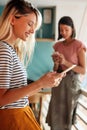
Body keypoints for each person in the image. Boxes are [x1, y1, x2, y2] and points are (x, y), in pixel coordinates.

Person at [0, 1, 65, 130]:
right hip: (13, 118)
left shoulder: (11, 50)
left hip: (20, 114)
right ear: (13, 19)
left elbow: (18, 95)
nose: (32, 30)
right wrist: (40, 83)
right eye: (30, 24)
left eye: (34, 27)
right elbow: (1, 100)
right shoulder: (4, 50)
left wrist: (45, 83)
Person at [46, 16, 86, 130]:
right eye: (61, 30)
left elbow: (83, 70)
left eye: (66, 30)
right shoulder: (57, 45)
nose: (63, 32)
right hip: (59, 83)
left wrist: (66, 62)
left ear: (72, 29)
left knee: (67, 114)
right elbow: (55, 69)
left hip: (72, 84)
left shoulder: (79, 45)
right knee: (56, 111)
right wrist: (57, 63)